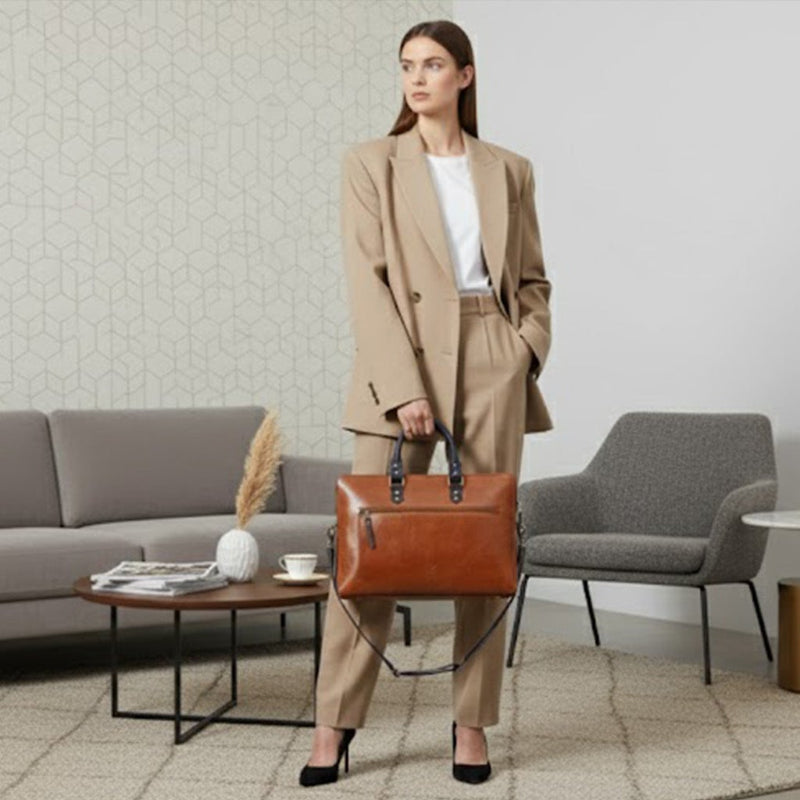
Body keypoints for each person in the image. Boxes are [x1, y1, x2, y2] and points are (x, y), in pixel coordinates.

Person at [299, 18, 553, 788]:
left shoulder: (508, 169)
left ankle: (471, 725)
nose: (416, 78)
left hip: (489, 356)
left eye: (433, 64)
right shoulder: (370, 163)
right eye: (407, 65)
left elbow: (532, 279)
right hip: (401, 356)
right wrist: (404, 386)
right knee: (368, 550)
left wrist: (523, 348)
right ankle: (334, 721)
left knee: (485, 550)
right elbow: (367, 281)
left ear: (464, 76)